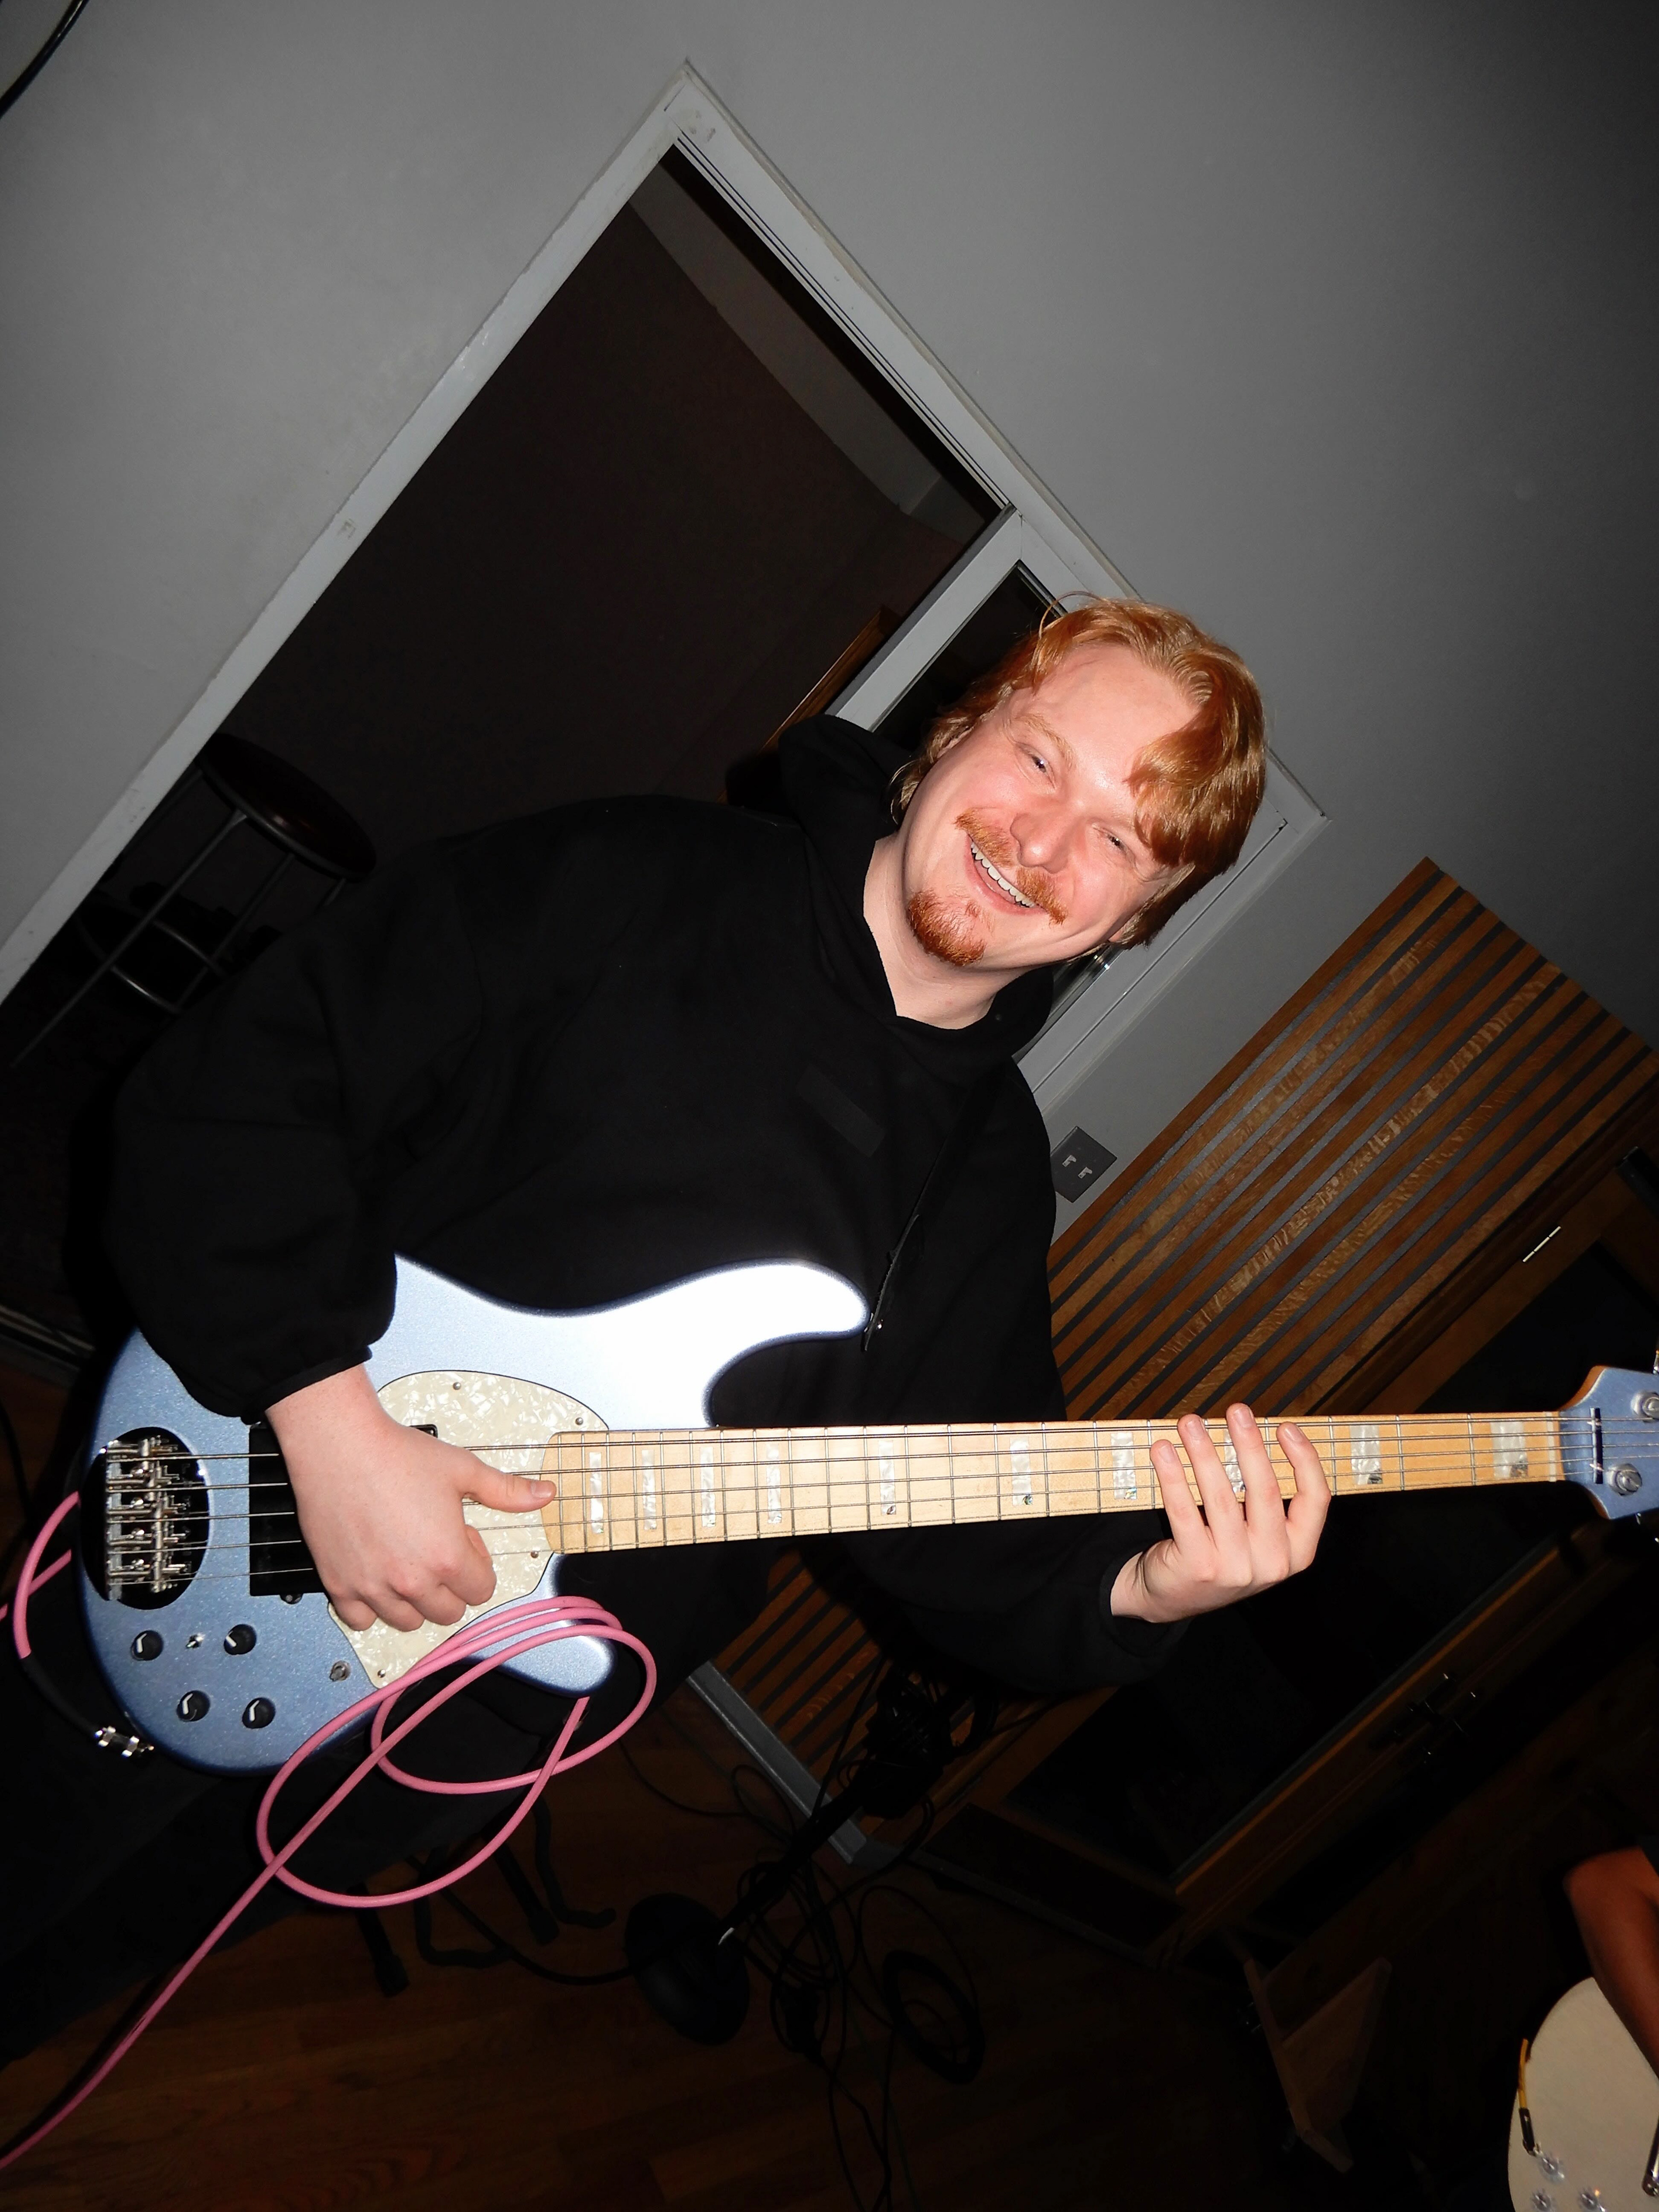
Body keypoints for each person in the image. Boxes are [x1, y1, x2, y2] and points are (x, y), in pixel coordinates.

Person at [0, 597, 1330, 2059]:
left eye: (1123, 840)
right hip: (235, 1490)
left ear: (1135, 920)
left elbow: (959, 1525)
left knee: (92, 1957)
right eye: (1040, 758)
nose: (1045, 840)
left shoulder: (986, 1176)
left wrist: (1144, 1587)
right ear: (958, 732)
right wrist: (326, 1422)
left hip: (466, 1714)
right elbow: (237, 1093)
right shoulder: (631, 875)